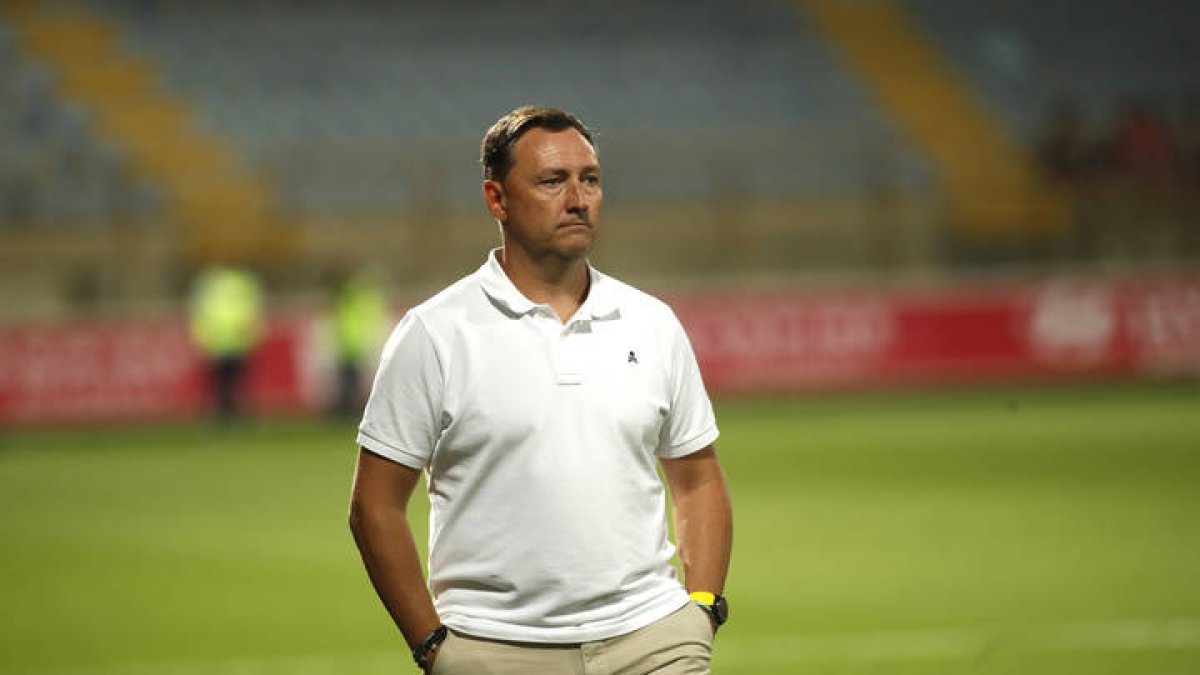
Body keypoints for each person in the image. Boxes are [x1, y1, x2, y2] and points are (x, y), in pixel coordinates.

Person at [349, 106, 733, 674]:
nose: (578, 199)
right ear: (497, 199)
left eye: (590, 179)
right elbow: (374, 506)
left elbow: (697, 476)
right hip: (496, 650)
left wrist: (701, 608)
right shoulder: (434, 334)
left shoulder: (651, 323)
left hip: (654, 641)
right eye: (553, 181)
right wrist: (433, 647)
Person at [187, 263, 264, 423]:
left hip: (223, 341)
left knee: (227, 382)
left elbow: (199, 313)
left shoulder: (209, 284)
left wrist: (201, 338)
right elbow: (253, 311)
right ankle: (227, 413)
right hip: (231, 340)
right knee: (229, 382)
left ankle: (226, 413)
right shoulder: (242, 283)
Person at [327, 264, 390, 418]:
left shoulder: (350, 296)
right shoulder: (358, 295)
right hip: (353, 343)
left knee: (350, 378)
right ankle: (349, 408)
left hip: (353, 343)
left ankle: (347, 409)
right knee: (351, 378)